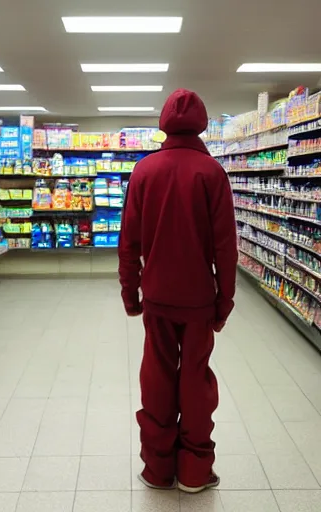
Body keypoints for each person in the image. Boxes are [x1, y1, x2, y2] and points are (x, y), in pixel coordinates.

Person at [118, 89, 238, 493]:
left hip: (156, 296)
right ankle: (194, 472)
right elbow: (226, 248)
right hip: (200, 299)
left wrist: (129, 293)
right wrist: (225, 302)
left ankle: (157, 469)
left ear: (164, 122)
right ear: (202, 123)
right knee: (196, 381)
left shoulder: (144, 171)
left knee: (157, 377)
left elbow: (129, 242)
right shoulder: (212, 173)